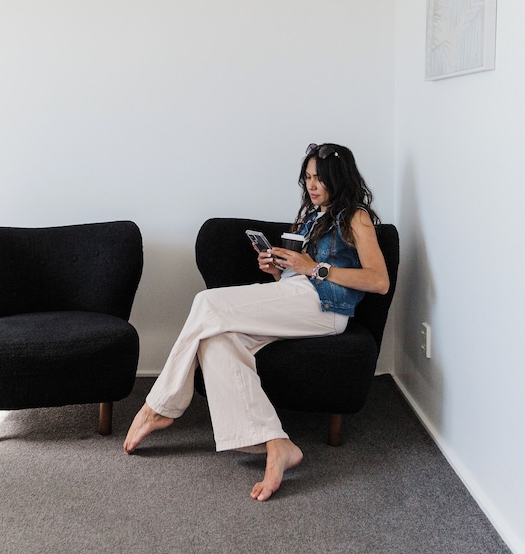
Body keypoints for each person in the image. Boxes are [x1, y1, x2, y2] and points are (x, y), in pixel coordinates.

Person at [124, 143, 390, 501]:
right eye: (308, 178)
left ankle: (158, 406)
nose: (312, 186)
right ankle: (276, 443)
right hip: (297, 298)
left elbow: (379, 281)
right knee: (217, 340)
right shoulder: (313, 216)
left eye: (320, 178)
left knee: (206, 302)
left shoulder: (355, 217)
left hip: (326, 308)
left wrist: (315, 268)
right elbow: (297, 279)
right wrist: (277, 271)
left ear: (338, 179)